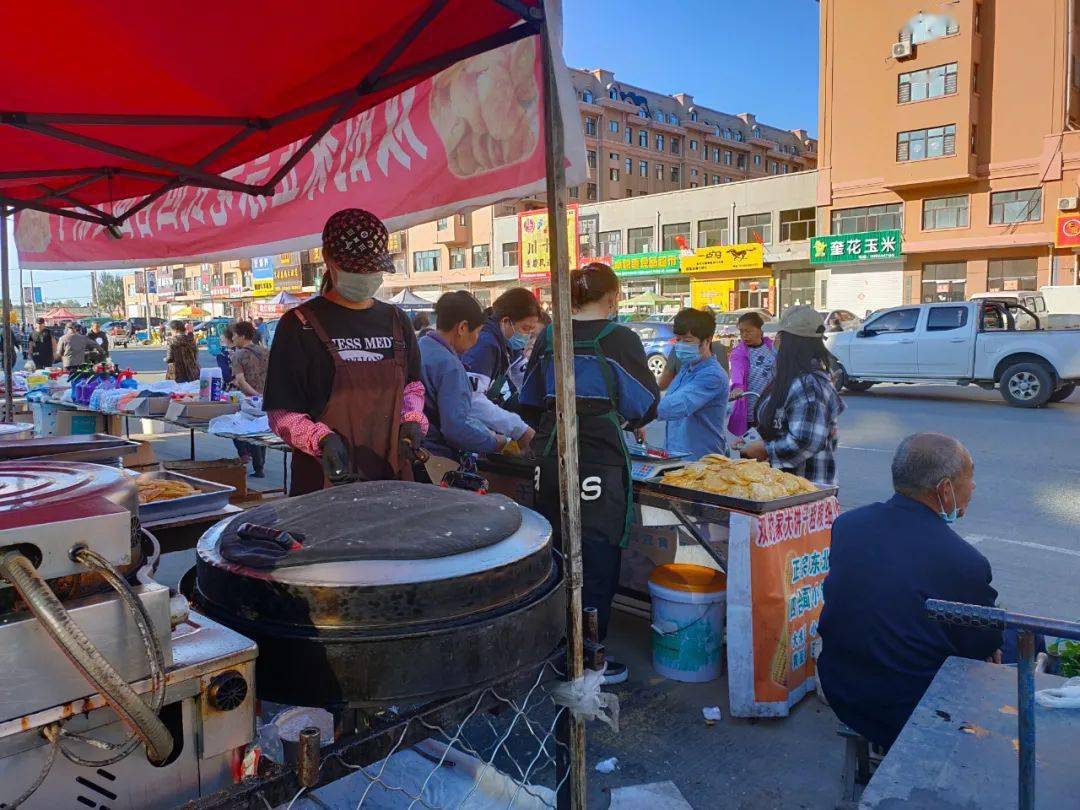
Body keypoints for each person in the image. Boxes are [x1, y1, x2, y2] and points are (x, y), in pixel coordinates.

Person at [520, 262, 660, 683]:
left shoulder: (550, 335)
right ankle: (587, 657)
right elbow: (643, 405)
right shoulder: (619, 338)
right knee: (597, 556)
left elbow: (527, 398)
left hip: (550, 453)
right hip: (598, 455)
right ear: (612, 297)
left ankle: (555, 646)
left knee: (554, 550)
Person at [818, 433, 1002, 750]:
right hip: (911, 709)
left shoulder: (849, 525)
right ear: (945, 489)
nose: (972, 488)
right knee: (1019, 640)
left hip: (842, 687)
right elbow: (983, 647)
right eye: (970, 478)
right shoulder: (964, 562)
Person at [264, 208, 426, 495]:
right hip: (324, 485)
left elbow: (413, 387)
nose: (364, 275)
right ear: (328, 258)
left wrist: (411, 422)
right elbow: (282, 412)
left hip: (393, 482)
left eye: (370, 267)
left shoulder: (397, 321)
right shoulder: (299, 325)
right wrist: (321, 439)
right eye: (355, 267)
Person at [740, 305, 845, 487]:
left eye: (780, 336)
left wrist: (765, 449)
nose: (775, 342)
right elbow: (781, 422)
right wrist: (755, 437)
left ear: (791, 342)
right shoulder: (790, 377)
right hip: (784, 485)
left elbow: (805, 441)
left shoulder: (808, 384)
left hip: (805, 489)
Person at [419, 292, 518, 469]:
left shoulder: (420, 348)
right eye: (478, 331)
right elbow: (456, 428)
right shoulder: (449, 366)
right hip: (434, 460)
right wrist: (495, 442)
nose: (478, 338)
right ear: (463, 328)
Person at [654, 308, 730, 460]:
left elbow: (677, 405)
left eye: (687, 341)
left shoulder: (712, 376)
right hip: (676, 459)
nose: (681, 346)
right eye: (678, 340)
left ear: (707, 340)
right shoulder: (687, 368)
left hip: (700, 463)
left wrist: (638, 409)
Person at [462, 287, 542, 406]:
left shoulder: (510, 346)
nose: (528, 335)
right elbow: (473, 402)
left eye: (531, 330)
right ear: (506, 321)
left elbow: (526, 381)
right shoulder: (485, 345)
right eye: (525, 328)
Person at [229, 321, 271, 477]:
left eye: (234, 335)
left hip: (248, 398)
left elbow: (240, 380)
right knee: (262, 428)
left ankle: (257, 465)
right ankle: (260, 466)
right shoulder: (266, 351)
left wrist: (254, 395)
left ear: (241, 336)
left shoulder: (238, 355)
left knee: (248, 431)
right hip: (266, 396)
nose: (232, 338)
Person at [726, 311, 776, 438]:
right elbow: (737, 372)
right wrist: (737, 387)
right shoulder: (739, 353)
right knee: (750, 450)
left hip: (772, 409)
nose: (744, 335)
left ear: (760, 330)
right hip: (751, 411)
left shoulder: (772, 347)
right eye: (741, 332)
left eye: (748, 331)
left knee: (770, 449)